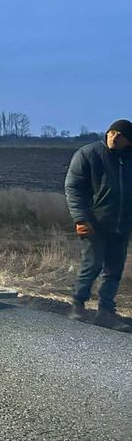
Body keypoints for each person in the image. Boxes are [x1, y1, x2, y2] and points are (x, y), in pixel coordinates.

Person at [65, 119, 132, 330]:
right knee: (92, 265)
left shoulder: (129, 158)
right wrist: (81, 218)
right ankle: (78, 304)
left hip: (122, 223)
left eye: (122, 137)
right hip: (94, 222)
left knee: (114, 269)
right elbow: (74, 188)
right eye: (114, 134)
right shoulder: (88, 154)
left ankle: (106, 312)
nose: (116, 139)